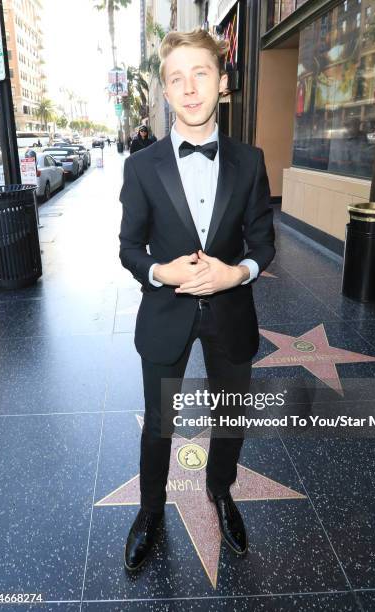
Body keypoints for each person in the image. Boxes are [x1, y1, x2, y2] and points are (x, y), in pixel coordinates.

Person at [119, 28, 275, 572]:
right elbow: (128, 248)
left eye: (200, 74)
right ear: (166, 91)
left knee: (230, 418)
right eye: (177, 79)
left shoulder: (250, 161)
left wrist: (237, 274)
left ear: (222, 83)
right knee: (160, 420)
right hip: (166, 314)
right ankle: (150, 510)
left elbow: (264, 244)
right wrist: (160, 270)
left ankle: (221, 491)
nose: (189, 89)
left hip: (231, 314)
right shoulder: (141, 167)